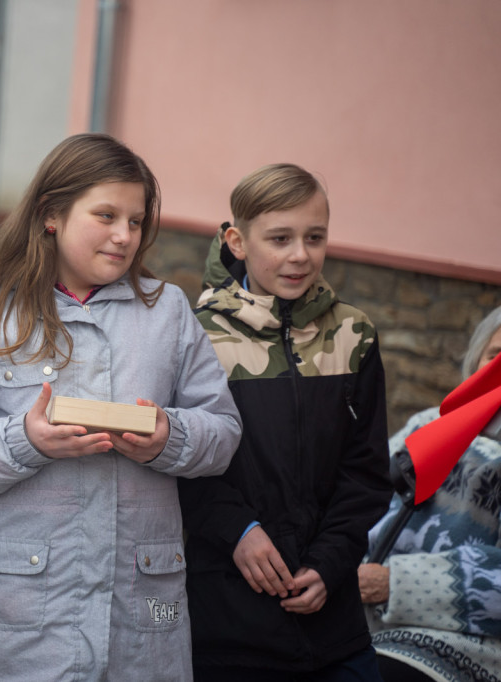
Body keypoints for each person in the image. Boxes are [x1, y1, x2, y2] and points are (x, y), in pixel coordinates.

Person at [0, 133, 242, 680]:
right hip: (19, 615)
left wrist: (170, 437)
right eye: (106, 215)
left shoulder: (166, 312)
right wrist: (25, 439)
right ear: (51, 215)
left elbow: (224, 432)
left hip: (146, 610)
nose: (124, 236)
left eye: (136, 221)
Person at [182, 163, 393, 680]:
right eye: (280, 238)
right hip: (228, 621)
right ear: (237, 241)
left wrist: (329, 563)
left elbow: (365, 472)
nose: (300, 254)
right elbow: (179, 462)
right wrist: (238, 531)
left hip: (333, 621)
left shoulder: (355, 335)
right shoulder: (196, 337)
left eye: (314, 237)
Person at [360, 307, 501, 682]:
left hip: (463, 643)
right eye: (495, 355)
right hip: (359, 616)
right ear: (476, 362)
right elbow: (365, 494)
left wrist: (394, 583)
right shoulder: (429, 424)